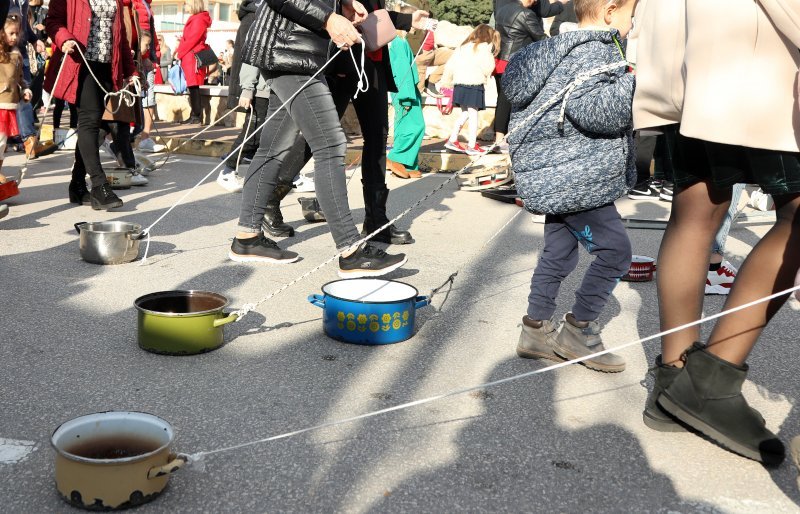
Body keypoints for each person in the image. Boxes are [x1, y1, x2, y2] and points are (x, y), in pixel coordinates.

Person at [634, 0, 798, 465]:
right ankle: (709, 383)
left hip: (691, 50)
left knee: (696, 209)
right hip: (764, 53)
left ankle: (674, 374)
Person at [505, 0, 636, 373]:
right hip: (579, 177)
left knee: (558, 253)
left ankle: (534, 329)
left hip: (555, 174)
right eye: (631, 15)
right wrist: (638, 81)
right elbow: (596, 113)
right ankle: (579, 330)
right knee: (616, 252)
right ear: (611, 11)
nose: (633, 24)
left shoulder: (554, 51)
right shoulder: (597, 51)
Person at [232, 0, 408, 278]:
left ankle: (247, 237)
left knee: (273, 147)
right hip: (288, 49)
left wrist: (345, 4)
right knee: (330, 144)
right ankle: (351, 252)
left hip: (293, 51)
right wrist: (329, 18)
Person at [321, 0, 431, 246]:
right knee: (316, 139)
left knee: (377, 135)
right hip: (340, 58)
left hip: (372, 59)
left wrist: (406, 20)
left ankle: (375, 220)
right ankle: (269, 203)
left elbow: (372, 14)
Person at [45, 0, 139, 209]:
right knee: (89, 122)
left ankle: (77, 185)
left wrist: (131, 71)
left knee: (101, 127)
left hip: (108, 66)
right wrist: (64, 39)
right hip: (81, 64)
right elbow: (53, 21)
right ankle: (99, 185)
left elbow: (121, 37)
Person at [494, 0, 548, 153]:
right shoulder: (526, 14)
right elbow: (541, 38)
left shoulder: (502, 10)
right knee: (508, 103)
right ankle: (500, 139)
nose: (536, 2)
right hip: (515, 62)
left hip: (500, 61)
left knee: (502, 101)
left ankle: (500, 137)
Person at [441, 24, 499, 156]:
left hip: (459, 84)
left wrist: (446, 82)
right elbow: (488, 68)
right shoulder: (485, 48)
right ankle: (472, 145)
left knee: (465, 113)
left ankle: (453, 139)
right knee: (473, 114)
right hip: (474, 83)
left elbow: (450, 65)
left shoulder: (462, 47)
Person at [387, 29, 424, 179]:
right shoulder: (398, 41)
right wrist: (406, 96)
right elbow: (402, 70)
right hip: (404, 90)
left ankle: (408, 163)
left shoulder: (400, 40)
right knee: (412, 126)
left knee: (411, 125)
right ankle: (396, 157)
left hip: (407, 89)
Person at [0, 13, 31, 184]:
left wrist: (25, 90)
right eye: (11, 33)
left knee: (2, 144)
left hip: (8, 107)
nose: (14, 37)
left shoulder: (16, 56)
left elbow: (20, 80)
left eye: (16, 33)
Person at [175, 0, 210, 125]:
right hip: (191, 54)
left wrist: (180, 52)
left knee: (193, 86)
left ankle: (196, 115)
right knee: (192, 86)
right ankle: (194, 114)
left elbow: (192, 40)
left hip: (192, 56)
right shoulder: (197, 18)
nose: (185, 7)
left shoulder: (198, 19)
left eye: (187, 4)